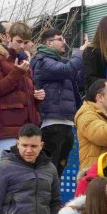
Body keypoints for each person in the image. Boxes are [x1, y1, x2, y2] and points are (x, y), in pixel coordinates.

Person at [0, 26, 44, 163]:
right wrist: (17, 73)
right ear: (8, 38)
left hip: (27, 131)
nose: (22, 46)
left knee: (23, 176)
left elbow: (22, 95)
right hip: (7, 130)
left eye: (25, 42)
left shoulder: (24, 61)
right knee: (5, 173)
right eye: (19, 41)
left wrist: (37, 98)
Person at [32, 28, 84, 176]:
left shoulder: (60, 62)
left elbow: (80, 80)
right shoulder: (42, 61)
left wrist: (88, 57)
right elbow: (67, 70)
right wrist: (79, 53)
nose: (64, 43)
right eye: (60, 39)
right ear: (49, 43)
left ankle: (53, 199)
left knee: (58, 170)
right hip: (51, 123)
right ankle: (46, 199)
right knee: (49, 169)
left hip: (66, 122)